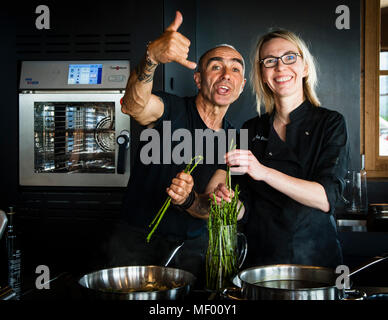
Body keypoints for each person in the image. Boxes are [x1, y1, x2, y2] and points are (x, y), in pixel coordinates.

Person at [174, 29, 349, 269]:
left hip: (315, 259)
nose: (280, 67)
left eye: (290, 57)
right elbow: (242, 209)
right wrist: (226, 202)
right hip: (259, 260)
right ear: (262, 74)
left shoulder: (330, 123)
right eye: (270, 61)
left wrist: (263, 171)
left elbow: (326, 198)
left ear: (305, 67)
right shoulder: (251, 128)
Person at [103, 11, 246, 282]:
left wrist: (189, 199)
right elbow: (134, 107)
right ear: (198, 79)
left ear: (241, 86)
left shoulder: (233, 139)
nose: (226, 74)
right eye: (216, 66)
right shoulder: (171, 108)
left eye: (235, 69)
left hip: (191, 250)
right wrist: (152, 58)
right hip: (136, 242)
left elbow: (207, 205)